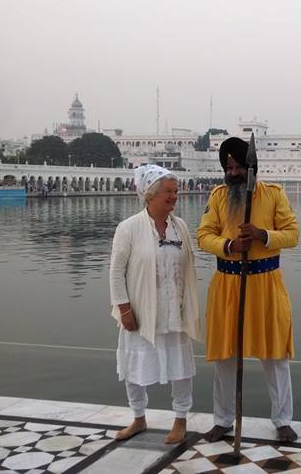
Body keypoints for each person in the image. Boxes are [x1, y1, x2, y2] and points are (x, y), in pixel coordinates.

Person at [197, 136, 300, 443]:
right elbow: (203, 236)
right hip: (228, 285)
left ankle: (282, 420)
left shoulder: (273, 195)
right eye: (228, 168)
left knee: (276, 355)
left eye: (238, 167)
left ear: (251, 167)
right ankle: (223, 420)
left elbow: (293, 234)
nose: (233, 173)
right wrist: (229, 245)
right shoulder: (218, 197)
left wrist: (262, 235)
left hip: (265, 284)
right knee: (225, 356)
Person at [109, 165, 202, 444]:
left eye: (176, 191)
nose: (174, 197)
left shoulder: (179, 226)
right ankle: (138, 418)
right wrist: (124, 308)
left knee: (181, 368)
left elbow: (189, 266)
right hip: (141, 311)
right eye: (168, 192)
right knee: (134, 365)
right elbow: (116, 272)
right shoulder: (129, 228)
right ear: (150, 195)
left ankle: (180, 419)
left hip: (174, 309)